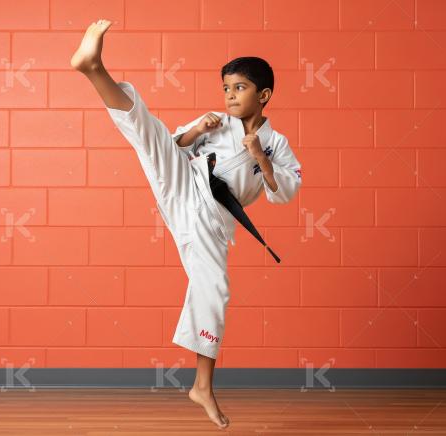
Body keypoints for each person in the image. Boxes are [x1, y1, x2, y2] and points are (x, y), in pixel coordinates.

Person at [70, 19, 302, 429]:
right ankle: (94, 69)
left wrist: (261, 157)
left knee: (214, 289)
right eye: (227, 88)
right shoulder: (215, 122)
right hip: (185, 183)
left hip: (212, 220)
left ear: (263, 95)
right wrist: (197, 128)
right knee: (149, 133)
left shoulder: (276, 143)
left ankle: (201, 387)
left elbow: (283, 191)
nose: (230, 95)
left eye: (240, 88)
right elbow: (173, 145)